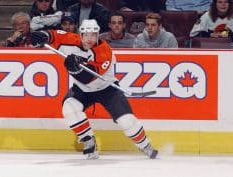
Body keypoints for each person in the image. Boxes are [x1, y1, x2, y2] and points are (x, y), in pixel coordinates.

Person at [30, 19, 158, 159]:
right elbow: (53, 35)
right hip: (82, 90)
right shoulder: (70, 39)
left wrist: (73, 69)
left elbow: (88, 77)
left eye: (93, 35)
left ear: (98, 35)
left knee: (126, 120)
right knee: (69, 108)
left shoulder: (104, 51)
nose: (90, 39)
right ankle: (88, 140)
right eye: (86, 35)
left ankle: (144, 144)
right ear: (81, 35)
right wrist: (42, 35)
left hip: (107, 89)